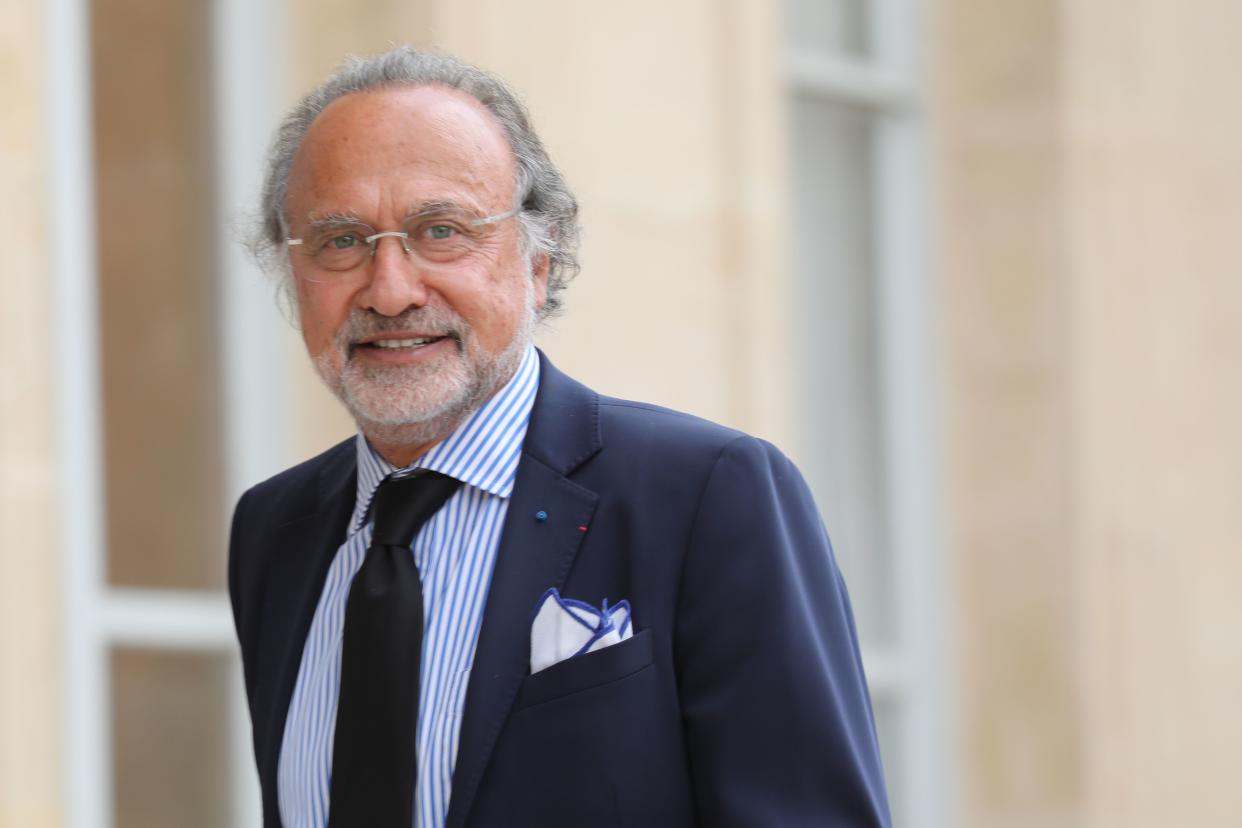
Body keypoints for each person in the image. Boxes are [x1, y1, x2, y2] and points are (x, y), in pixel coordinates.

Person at [230, 46, 891, 828]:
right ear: (291, 272)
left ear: (539, 262)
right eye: (340, 241)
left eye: (441, 230)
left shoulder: (708, 495)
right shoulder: (276, 532)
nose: (391, 289)